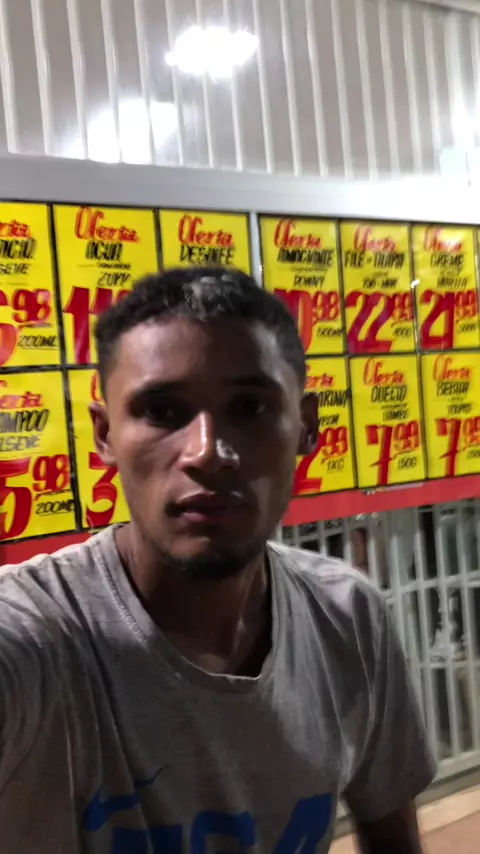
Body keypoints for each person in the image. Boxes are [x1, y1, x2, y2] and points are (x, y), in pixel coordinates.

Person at [0, 267, 435, 853]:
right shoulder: (38, 636)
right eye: (161, 411)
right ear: (105, 435)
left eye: (250, 408)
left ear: (305, 428)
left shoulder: (347, 615)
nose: (207, 453)